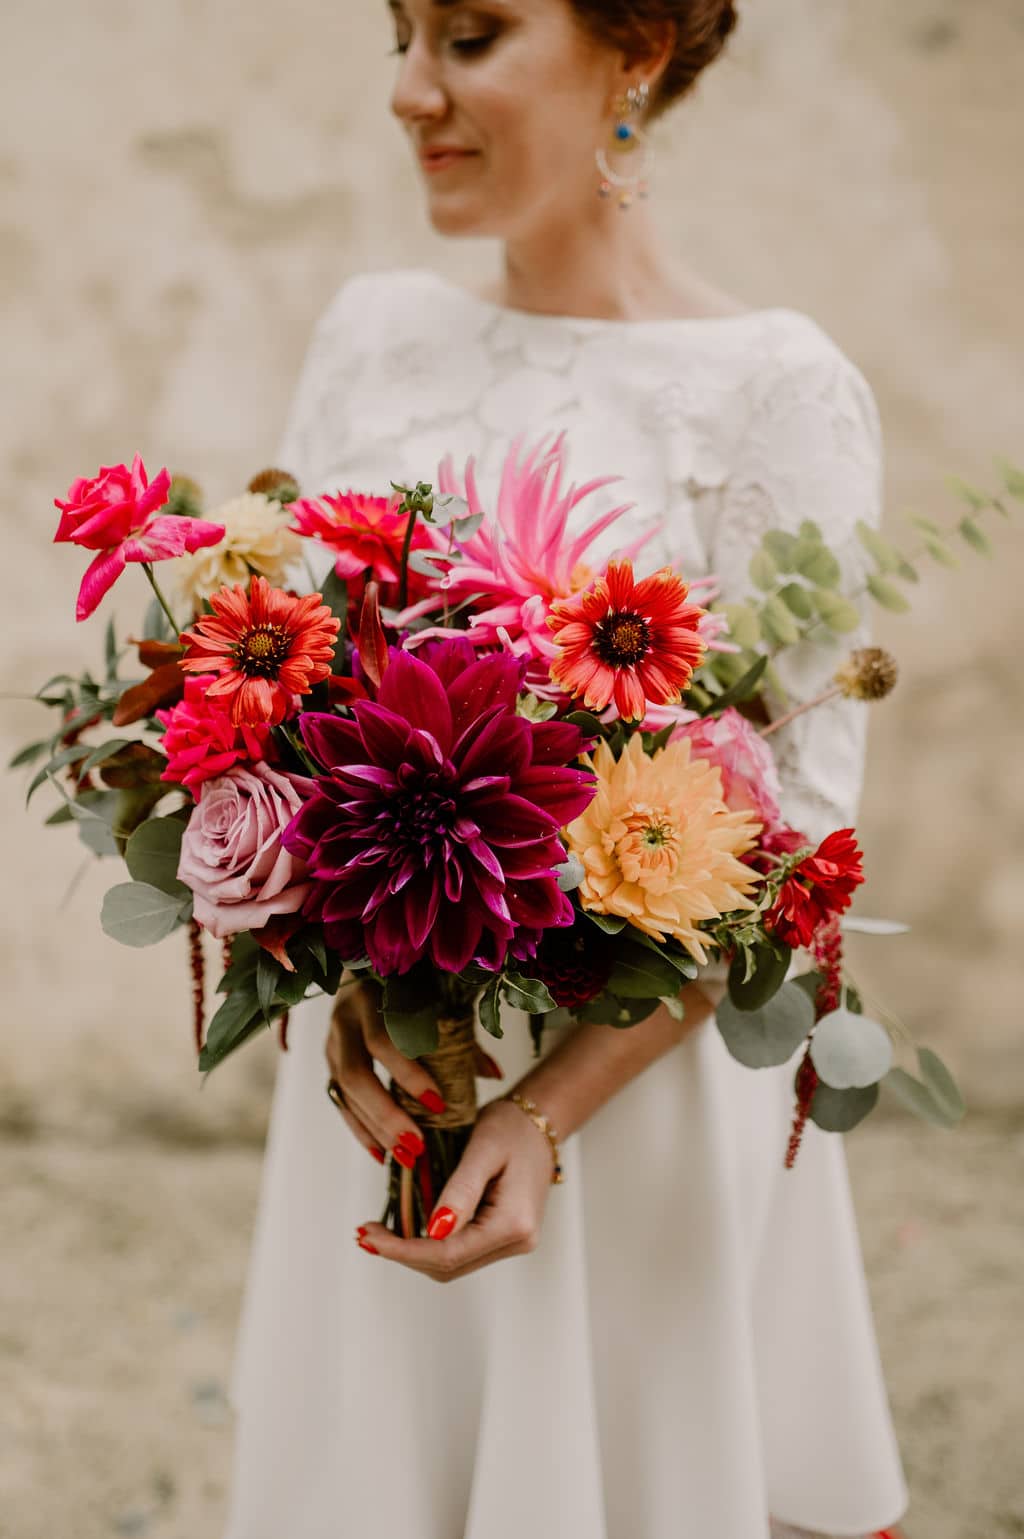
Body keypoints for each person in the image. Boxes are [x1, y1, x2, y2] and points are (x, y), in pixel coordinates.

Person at [222, 3, 908, 1535]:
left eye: (469, 34)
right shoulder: (371, 330)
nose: (410, 92)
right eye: (400, 35)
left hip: (620, 1114)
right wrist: (338, 996)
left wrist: (540, 1116)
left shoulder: (774, 390)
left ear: (639, 47)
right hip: (383, 1086)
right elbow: (270, 687)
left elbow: (789, 847)